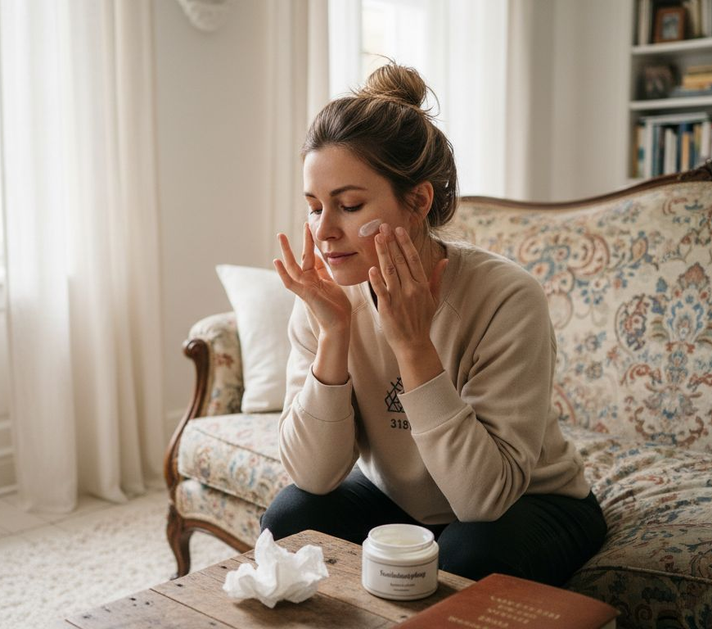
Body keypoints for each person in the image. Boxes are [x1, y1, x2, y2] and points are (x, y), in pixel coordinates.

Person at [260, 62, 607, 587]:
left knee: (469, 551)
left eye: (349, 205)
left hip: (528, 500)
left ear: (418, 201)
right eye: (314, 208)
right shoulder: (328, 297)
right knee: (290, 518)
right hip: (400, 498)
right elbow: (312, 476)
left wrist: (414, 346)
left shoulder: (506, 298)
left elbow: (483, 498)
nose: (325, 231)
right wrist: (333, 337)